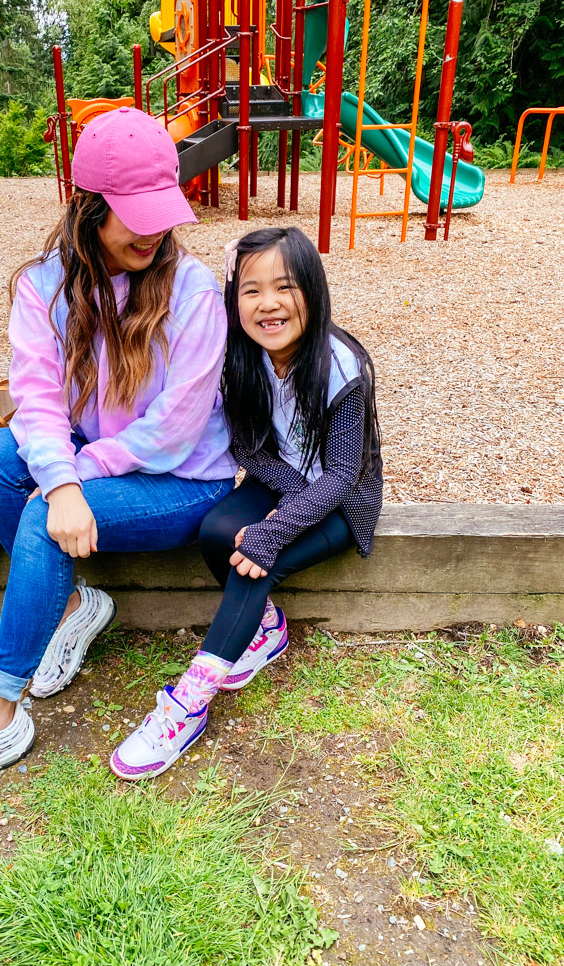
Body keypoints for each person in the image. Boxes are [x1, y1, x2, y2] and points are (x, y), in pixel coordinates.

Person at [0, 107, 237, 804]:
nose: (153, 230)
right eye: (134, 213)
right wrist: (62, 477)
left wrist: (68, 482)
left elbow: (175, 432)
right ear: (87, 206)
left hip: (183, 480)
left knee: (38, 515)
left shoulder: (195, 290)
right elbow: (39, 403)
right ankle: (75, 606)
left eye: (160, 209)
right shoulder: (42, 285)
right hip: (98, 459)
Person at [111, 226, 382, 780]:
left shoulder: (341, 366)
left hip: (341, 500)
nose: (269, 304)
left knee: (256, 558)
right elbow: (244, 444)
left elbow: (345, 473)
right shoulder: (241, 357)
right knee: (217, 532)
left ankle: (187, 704)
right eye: (251, 290)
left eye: (285, 287)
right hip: (283, 477)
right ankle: (267, 629)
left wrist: (276, 528)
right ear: (236, 301)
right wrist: (279, 499)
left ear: (313, 288)